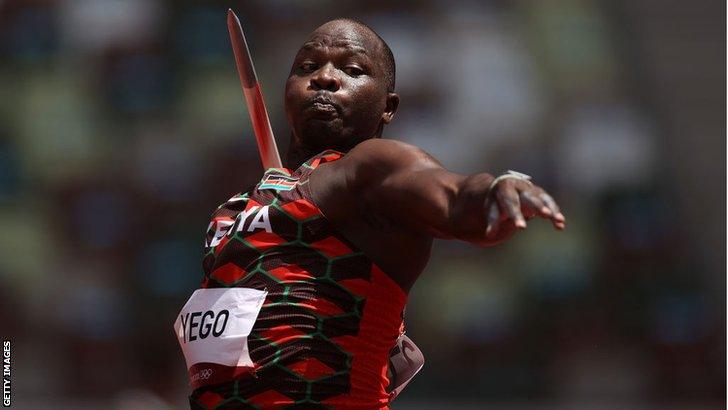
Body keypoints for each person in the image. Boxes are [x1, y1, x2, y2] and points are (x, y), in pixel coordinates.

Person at [178, 17, 565, 410]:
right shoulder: (234, 208)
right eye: (308, 68)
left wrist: (496, 189)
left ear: (388, 106)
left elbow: (453, 195)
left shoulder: (369, 168)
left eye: (353, 70)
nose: (325, 78)